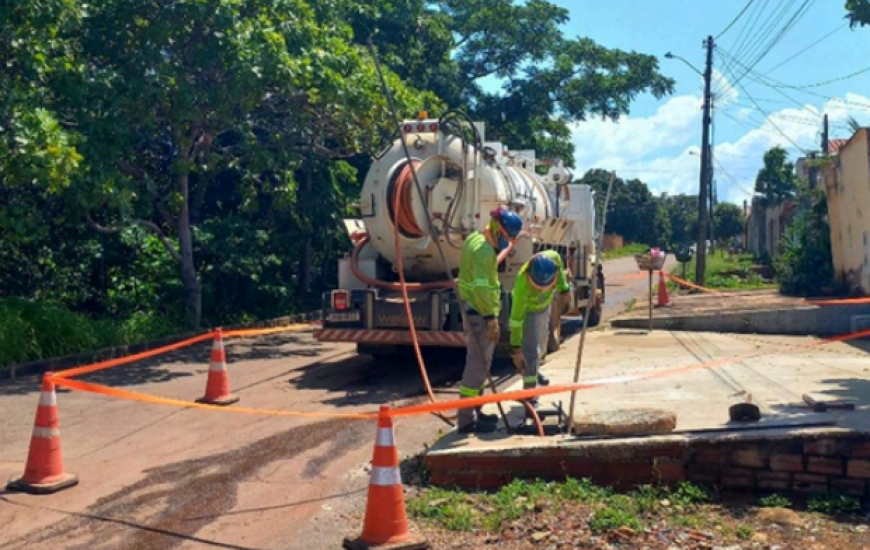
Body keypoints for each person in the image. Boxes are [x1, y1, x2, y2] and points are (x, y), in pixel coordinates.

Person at [455, 207, 523, 434]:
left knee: (482, 365)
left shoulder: (475, 238)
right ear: (498, 229)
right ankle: (467, 420)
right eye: (507, 237)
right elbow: (481, 288)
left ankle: (476, 410)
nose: (507, 242)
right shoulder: (484, 252)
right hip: (480, 314)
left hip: (473, 310)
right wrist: (491, 319)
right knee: (477, 366)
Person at [509, 250, 571, 407]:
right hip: (528, 313)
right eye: (538, 286)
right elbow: (516, 321)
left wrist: (564, 289)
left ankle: (535, 371)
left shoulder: (553, 258)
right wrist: (516, 349)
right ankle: (530, 395)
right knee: (531, 353)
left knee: (542, 347)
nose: (542, 289)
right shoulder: (522, 286)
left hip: (544, 308)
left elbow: (559, 269)